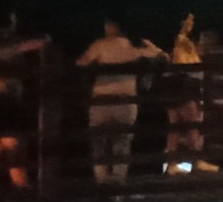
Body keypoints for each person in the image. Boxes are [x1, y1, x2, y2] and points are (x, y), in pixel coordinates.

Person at [77, 17, 165, 184]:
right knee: (123, 142)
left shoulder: (100, 45)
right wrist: (149, 45)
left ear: (109, 27)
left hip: (101, 99)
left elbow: (82, 62)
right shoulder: (134, 47)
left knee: (98, 142)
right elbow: (161, 56)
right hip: (126, 99)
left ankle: (101, 179)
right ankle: (118, 179)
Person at [0, 5, 48, 192]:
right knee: (15, 151)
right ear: (9, 22)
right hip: (7, 101)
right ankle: (22, 192)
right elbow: (30, 44)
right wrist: (44, 39)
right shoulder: (7, 43)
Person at [165, 13, 207, 174]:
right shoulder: (184, 48)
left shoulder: (177, 52)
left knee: (175, 129)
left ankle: (172, 164)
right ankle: (196, 162)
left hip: (175, 91)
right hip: (186, 91)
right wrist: (186, 26)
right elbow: (181, 38)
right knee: (192, 127)